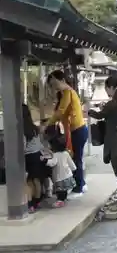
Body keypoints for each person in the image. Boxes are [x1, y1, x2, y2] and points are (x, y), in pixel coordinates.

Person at [88, 74, 117, 212]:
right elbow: (108, 112)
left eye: (107, 88)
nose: (107, 91)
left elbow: (100, 115)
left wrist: (89, 110)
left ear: (111, 87)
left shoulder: (115, 102)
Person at [43, 70, 88, 198]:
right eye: (52, 85)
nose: (54, 87)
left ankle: (79, 188)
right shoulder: (65, 93)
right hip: (77, 130)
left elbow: (61, 112)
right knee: (76, 158)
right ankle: (80, 184)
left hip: (78, 130)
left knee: (76, 159)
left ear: (62, 80)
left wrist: (47, 124)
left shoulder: (68, 92)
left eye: (54, 83)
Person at [22, 104, 46, 212]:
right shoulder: (34, 128)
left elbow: (22, 146)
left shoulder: (21, 130)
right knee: (37, 180)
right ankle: (37, 202)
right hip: (37, 155)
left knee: (29, 181)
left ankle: (30, 205)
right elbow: (39, 144)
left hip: (28, 157)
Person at [45, 135, 77, 208]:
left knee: (60, 191)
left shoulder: (55, 155)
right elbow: (71, 163)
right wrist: (74, 168)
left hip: (59, 176)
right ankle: (64, 199)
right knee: (64, 189)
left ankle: (60, 201)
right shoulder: (66, 153)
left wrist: (46, 161)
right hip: (67, 175)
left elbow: (53, 162)